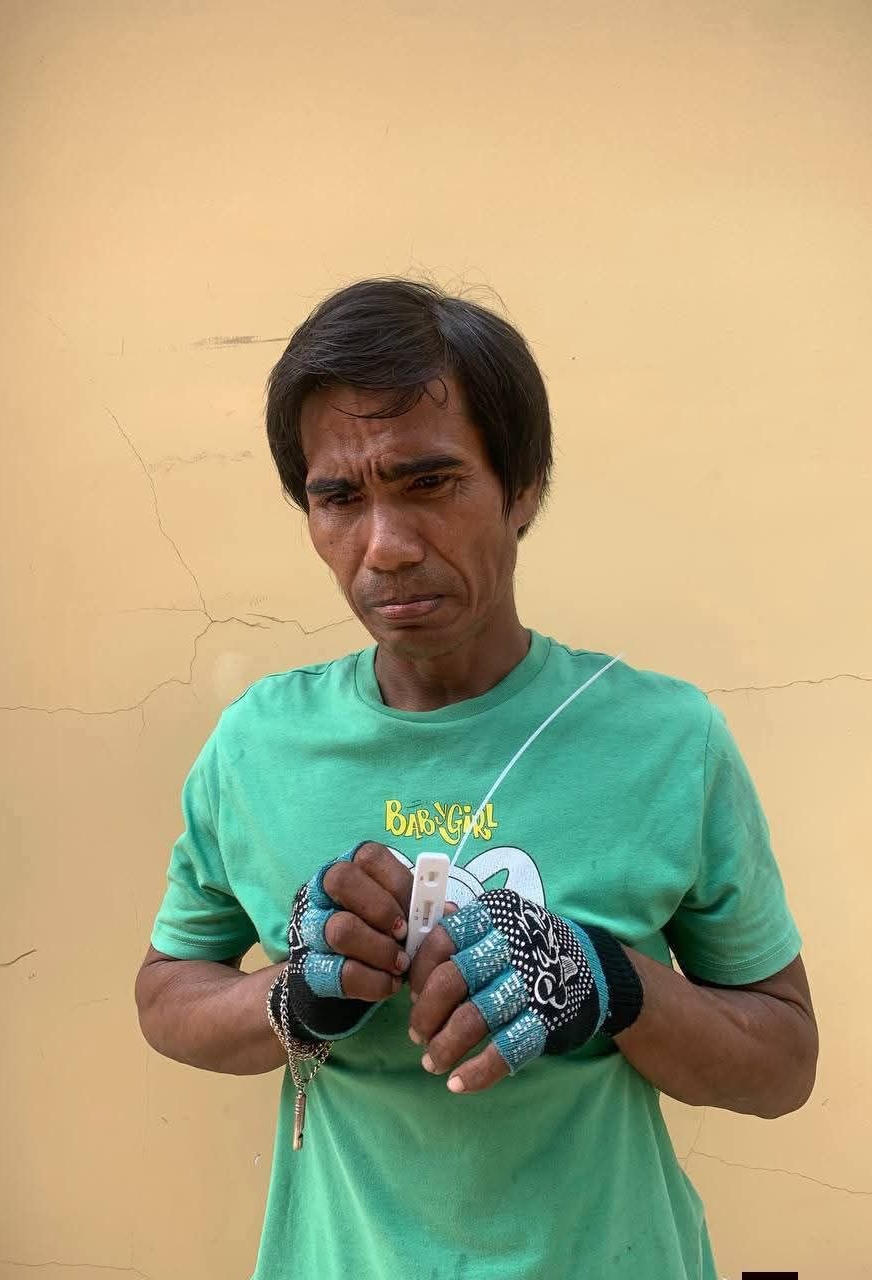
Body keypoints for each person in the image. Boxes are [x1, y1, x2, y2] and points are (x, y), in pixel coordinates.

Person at [135, 278, 818, 1280]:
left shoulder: (668, 739)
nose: (385, 547)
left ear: (524, 486)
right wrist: (293, 998)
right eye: (339, 497)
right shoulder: (256, 747)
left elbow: (783, 1064)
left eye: (431, 481)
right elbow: (167, 994)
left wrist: (612, 982)